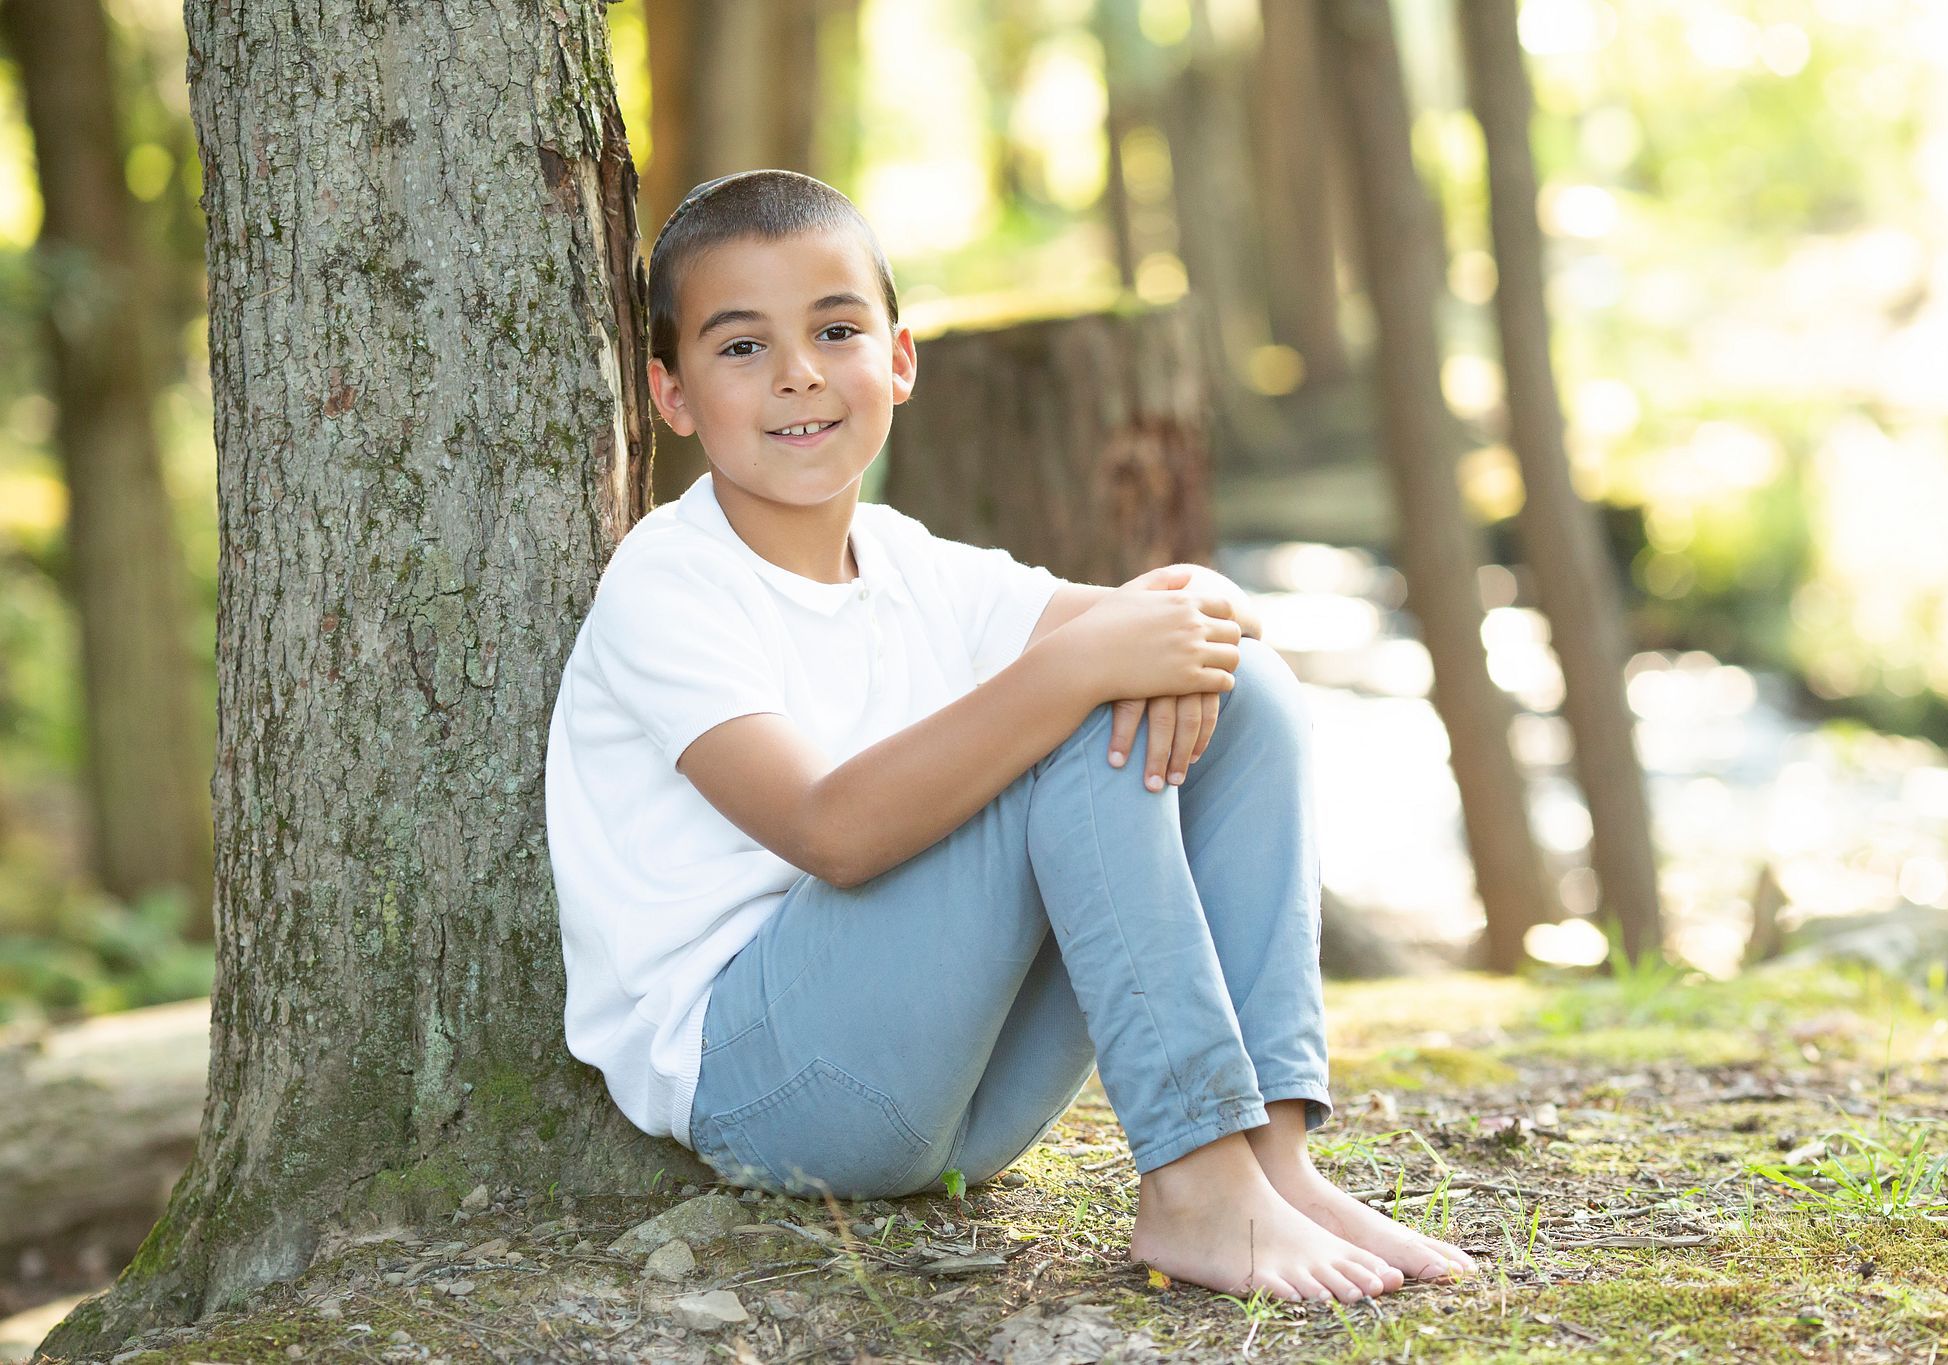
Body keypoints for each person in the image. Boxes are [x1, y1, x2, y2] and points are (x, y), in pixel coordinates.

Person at [544, 168, 1474, 1303]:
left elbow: (1196, 624)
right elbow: (829, 831)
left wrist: (1186, 607)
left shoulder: (908, 563)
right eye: (742, 347)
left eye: (835, 331)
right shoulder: (669, 581)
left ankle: (1269, 1160)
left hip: (968, 1100)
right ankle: (1192, 1179)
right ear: (672, 393)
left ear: (898, 359)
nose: (797, 373)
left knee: (1246, 690)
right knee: (1083, 720)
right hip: (772, 1083)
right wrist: (1082, 665)